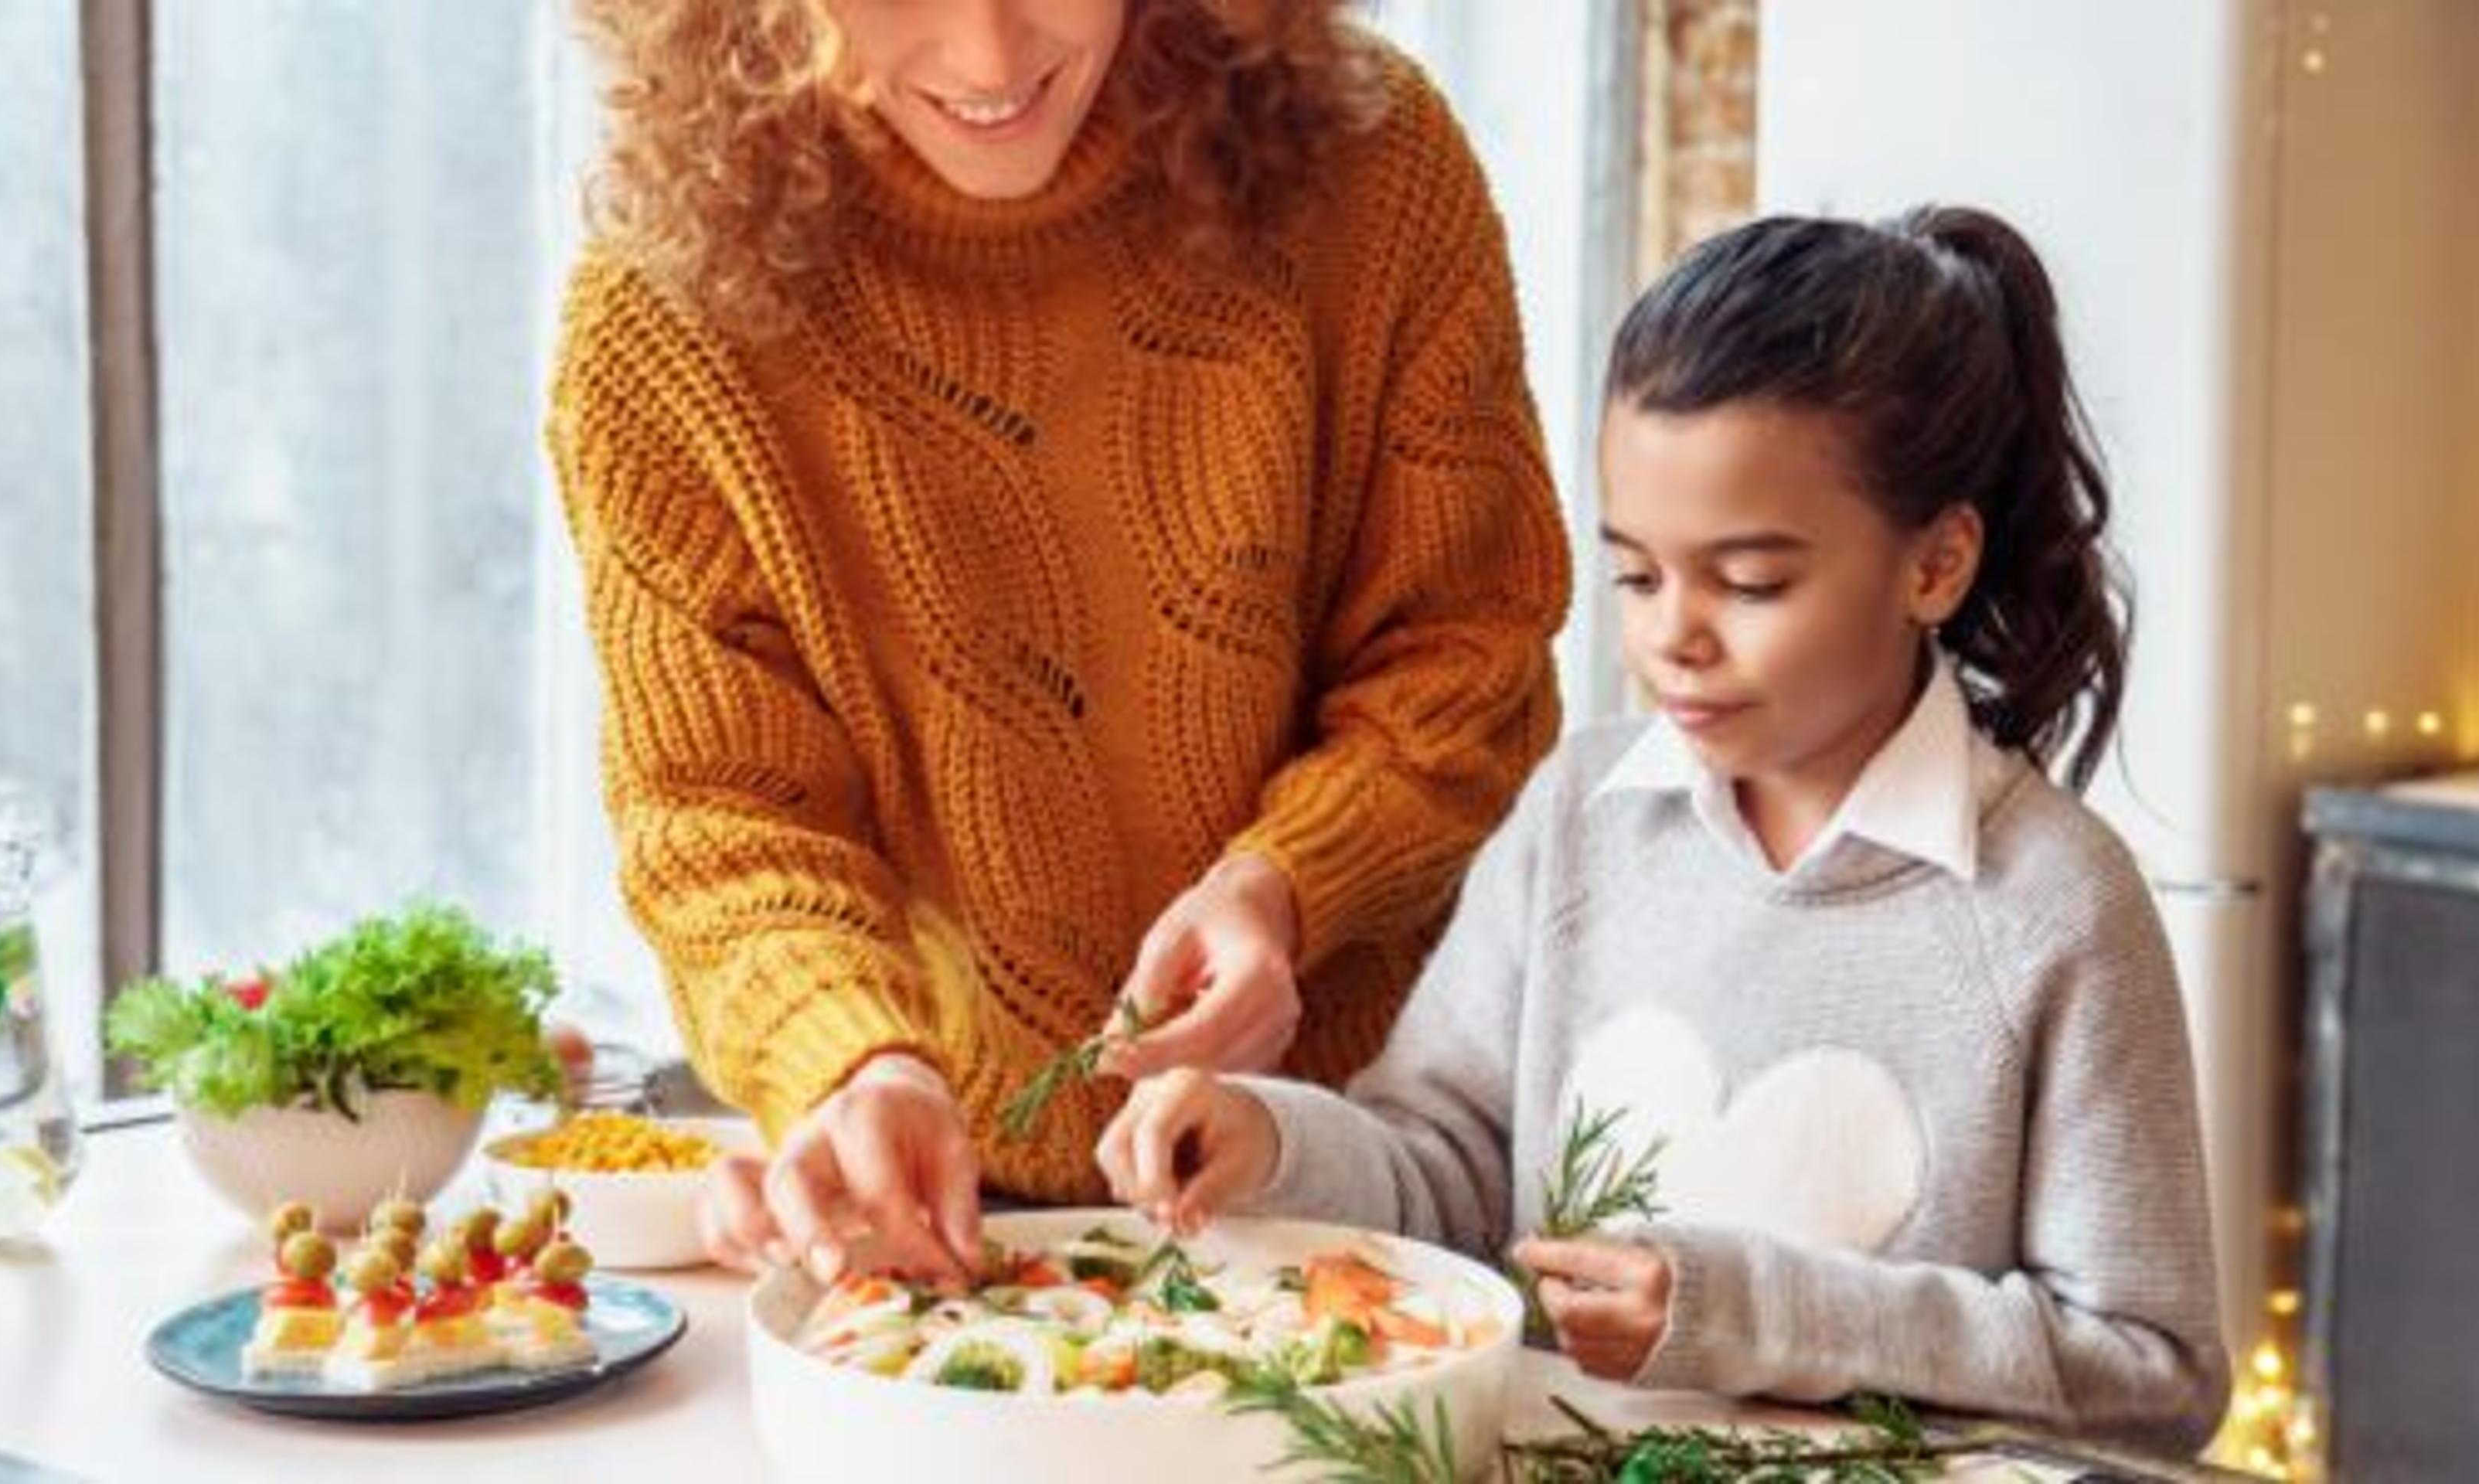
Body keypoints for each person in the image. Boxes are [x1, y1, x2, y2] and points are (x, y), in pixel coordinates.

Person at [1098, 207, 2231, 1452]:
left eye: (1750, 583)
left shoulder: (2054, 906)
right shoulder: (1575, 821)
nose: (1672, 637)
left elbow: (2152, 1375)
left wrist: (1743, 1312)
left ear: (1936, 565)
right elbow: (1450, 1176)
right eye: (1637, 575)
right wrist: (1269, 1141)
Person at [549, 0, 1568, 1285]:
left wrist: (1288, 887)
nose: (989, 57)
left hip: (1368, 1170)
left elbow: (1466, 653)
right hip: (952, 1218)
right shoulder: (664, 306)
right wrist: (856, 1059)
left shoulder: (1374, 164)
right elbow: (721, 815)